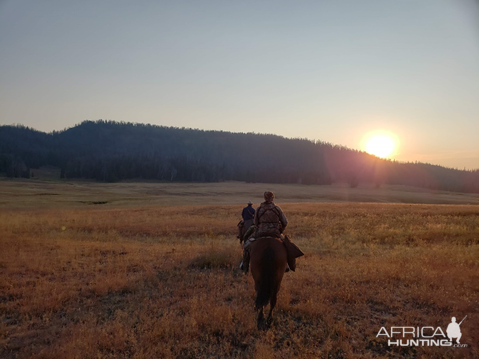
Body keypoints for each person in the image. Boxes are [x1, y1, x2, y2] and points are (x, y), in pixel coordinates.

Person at [240, 191, 303, 273]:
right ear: (273, 198)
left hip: (260, 233)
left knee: (246, 246)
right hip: (275, 233)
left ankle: (245, 266)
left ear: (264, 198)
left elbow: (255, 223)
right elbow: (285, 222)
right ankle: (288, 265)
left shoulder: (259, 209)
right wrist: (281, 229)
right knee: (289, 246)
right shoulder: (277, 209)